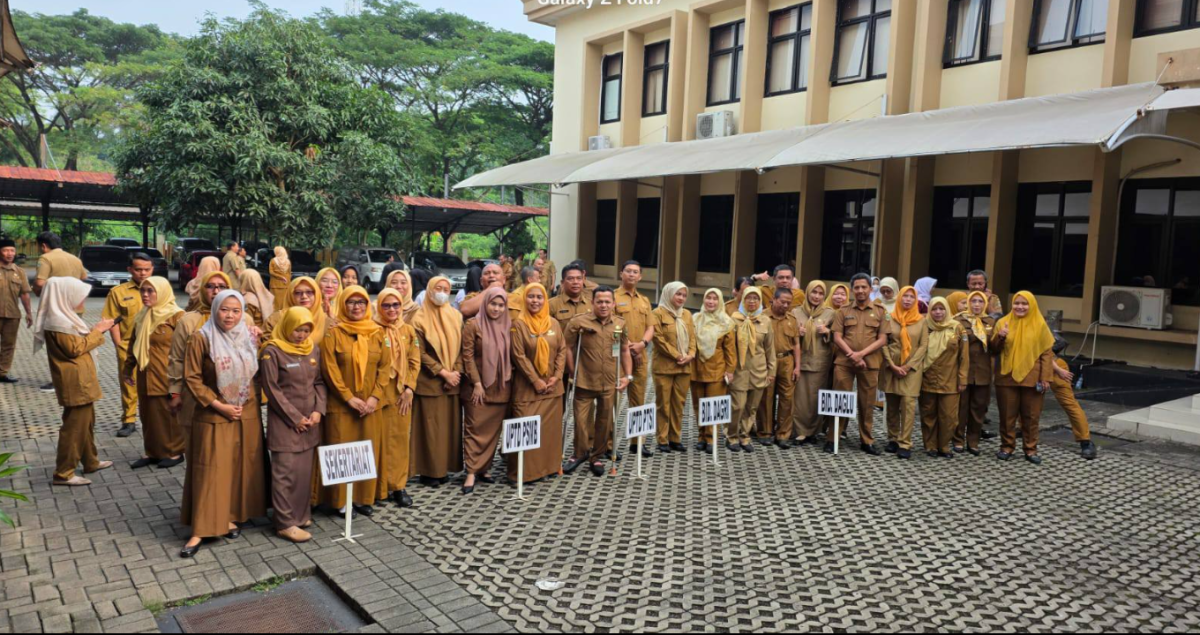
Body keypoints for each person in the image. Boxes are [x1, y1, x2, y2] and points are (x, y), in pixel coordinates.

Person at [179, 290, 267, 558]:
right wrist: (219, 405)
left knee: (237, 466)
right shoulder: (202, 338)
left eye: (236, 310)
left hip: (245, 412)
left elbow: (258, 371)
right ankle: (201, 529)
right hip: (214, 412)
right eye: (224, 310)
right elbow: (192, 379)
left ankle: (229, 516)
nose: (230, 316)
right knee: (210, 468)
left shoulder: (248, 336)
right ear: (214, 309)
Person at [34, 277, 116, 486]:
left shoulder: (64, 317)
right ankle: (63, 473)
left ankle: (91, 461)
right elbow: (74, 349)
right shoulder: (58, 321)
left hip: (81, 379)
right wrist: (99, 330)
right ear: (64, 296)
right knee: (74, 427)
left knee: (86, 423)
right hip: (75, 382)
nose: (83, 300)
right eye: (78, 296)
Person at [319, 286, 389, 516]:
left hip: (369, 405)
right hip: (342, 405)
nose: (356, 306)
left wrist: (374, 397)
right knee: (342, 450)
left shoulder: (378, 332)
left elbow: (385, 368)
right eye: (351, 302)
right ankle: (341, 501)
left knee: (365, 450)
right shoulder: (333, 333)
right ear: (343, 304)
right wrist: (348, 397)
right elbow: (329, 369)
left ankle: (362, 498)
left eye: (361, 302)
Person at [259, 306, 326, 543]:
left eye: (306, 330)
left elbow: (318, 382)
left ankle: (300, 515)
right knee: (284, 473)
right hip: (287, 424)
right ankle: (285, 522)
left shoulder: (312, 349)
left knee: (302, 473)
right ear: (287, 326)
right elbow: (272, 389)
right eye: (298, 329)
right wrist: (295, 418)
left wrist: (319, 410)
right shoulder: (272, 351)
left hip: (310, 423)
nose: (301, 334)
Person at [564, 286, 632, 477]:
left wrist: (628, 376)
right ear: (592, 302)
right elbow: (568, 347)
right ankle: (579, 453)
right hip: (584, 380)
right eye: (599, 301)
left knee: (605, 421)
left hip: (610, 381)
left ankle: (597, 456)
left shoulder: (619, 324)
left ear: (613, 303)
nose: (603, 305)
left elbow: (625, 350)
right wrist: (572, 371)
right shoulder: (578, 322)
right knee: (580, 420)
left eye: (607, 302)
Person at [121, 277, 186, 470]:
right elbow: (133, 344)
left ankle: (174, 452)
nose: (145, 295)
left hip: (168, 376)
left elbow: (186, 349)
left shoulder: (177, 316)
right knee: (148, 415)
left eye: (151, 291)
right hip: (145, 374)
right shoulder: (142, 315)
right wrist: (127, 369)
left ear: (163, 291)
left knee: (169, 416)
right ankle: (152, 452)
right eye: (143, 290)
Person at [508, 282, 567, 483]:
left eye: (539, 297)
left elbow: (561, 350)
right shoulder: (518, 324)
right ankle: (524, 473)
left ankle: (548, 468)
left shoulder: (554, 323)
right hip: (527, 389)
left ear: (545, 299)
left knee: (549, 432)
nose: (535, 301)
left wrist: (557, 376)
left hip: (552, 388)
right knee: (525, 429)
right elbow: (518, 355)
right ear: (525, 299)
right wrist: (535, 381)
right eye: (531, 297)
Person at [410, 276, 465, 487]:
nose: (441, 292)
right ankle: (429, 472)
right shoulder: (418, 318)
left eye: (445, 289)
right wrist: (443, 373)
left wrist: (456, 372)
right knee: (430, 430)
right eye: (437, 288)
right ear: (429, 290)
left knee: (449, 429)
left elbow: (462, 348)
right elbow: (419, 353)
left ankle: (445, 469)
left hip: (452, 383)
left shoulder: (455, 316)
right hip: (431, 382)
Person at [991, 291, 1056, 465]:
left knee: (1031, 416)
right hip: (1006, 377)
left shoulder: (1040, 325)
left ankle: (1030, 448)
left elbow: (1046, 354)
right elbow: (993, 350)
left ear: (1032, 305)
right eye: (1016, 303)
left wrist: (1046, 378)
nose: (1020, 307)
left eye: (1024, 304)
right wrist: (1001, 337)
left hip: (1032, 378)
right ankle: (1006, 446)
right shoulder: (1002, 322)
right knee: (1007, 415)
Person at [830, 273, 889, 455]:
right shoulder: (843, 311)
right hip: (844, 363)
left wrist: (861, 354)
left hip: (870, 363)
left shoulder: (880, 311)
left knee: (867, 403)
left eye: (864, 287)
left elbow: (883, 339)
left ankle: (866, 440)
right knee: (840, 399)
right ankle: (833, 438)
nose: (861, 291)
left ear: (871, 289)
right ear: (852, 290)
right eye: (857, 287)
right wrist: (851, 354)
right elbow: (837, 336)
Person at [461, 287, 511, 493]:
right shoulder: (473, 325)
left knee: (492, 431)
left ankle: (484, 468)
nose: (496, 309)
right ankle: (471, 472)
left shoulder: (509, 325)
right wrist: (477, 383)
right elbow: (467, 356)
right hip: (477, 388)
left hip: (501, 387)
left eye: (501, 305)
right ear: (485, 303)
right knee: (474, 429)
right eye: (493, 304)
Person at [374, 289, 420, 507]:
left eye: (395, 305)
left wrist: (410, 388)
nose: (391, 310)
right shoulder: (371, 328)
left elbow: (414, 361)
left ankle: (398, 486)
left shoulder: (408, 330)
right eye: (386, 305)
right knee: (378, 441)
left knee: (400, 441)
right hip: (378, 394)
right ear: (379, 306)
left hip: (401, 394)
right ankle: (378, 488)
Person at [104, 252, 154, 438]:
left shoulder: (160, 289)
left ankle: (154, 418)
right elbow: (111, 320)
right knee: (128, 384)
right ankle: (129, 420)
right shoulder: (118, 292)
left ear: (152, 269)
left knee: (155, 384)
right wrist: (119, 345)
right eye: (138, 269)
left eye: (146, 269)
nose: (143, 273)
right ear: (130, 270)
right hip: (128, 346)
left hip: (154, 346)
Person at [880, 286, 927, 460]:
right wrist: (892, 365)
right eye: (904, 296)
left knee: (908, 405)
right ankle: (892, 438)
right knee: (891, 404)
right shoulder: (889, 318)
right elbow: (883, 342)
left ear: (916, 300)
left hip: (912, 370)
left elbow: (923, 346)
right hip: (891, 367)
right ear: (899, 298)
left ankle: (905, 443)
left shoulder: (921, 321)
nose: (907, 300)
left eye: (911, 297)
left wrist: (908, 367)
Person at [919, 297, 969, 458]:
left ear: (947, 310)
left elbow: (964, 357)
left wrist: (962, 379)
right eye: (934, 309)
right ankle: (930, 446)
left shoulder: (957, 328)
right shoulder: (924, 326)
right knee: (928, 415)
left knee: (949, 417)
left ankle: (944, 446)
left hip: (950, 381)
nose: (938, 312)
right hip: (927, 377)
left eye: (941, 309)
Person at [727, 287, 775, 452]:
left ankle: (744, 436)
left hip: (759, 371)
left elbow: (770, 349)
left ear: (760, 301)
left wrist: (771, 371)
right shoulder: (734, 319)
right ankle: (731, 436)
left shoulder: (765, 321)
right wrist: (728, 370)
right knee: (737, 406)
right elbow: (729, 348)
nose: (752, 301)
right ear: (743, 300)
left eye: (756, 298)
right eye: (749, 298)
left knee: (751, 408)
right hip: (739, 371)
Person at [651, 281, 696, 453]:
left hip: (684, 367)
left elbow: (693, 337)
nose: (681, 298)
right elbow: (659, 340)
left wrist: (690, 354)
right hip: (664, 367)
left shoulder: (687, 314)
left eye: (684, 295)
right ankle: (662, 439)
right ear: (669, 294)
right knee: (663, 404)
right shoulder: (657, 313)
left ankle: (675, 438)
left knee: (679, 404)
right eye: (678, 294)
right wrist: (678, 355)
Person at [690, 288, 736, 452]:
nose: (711, 302)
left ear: (720, 301)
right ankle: (701, 436)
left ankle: (712, 438)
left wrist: (730, 370)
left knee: (713, 406)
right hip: (696, 369)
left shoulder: (726, 323)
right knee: (698, 405)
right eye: (708, 298)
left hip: (717, 369)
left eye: (715, 299)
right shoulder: (695, 319)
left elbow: (730, 350)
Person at [791, 281, 836, 446]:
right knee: (800, 399)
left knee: (816, 397)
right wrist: (797, 333)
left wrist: (827, 332)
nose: (816, 296)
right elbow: (787, 335)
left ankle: (814, 431)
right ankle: (800, 431)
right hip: (800, 361)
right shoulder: (796, 312)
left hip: (820, 362)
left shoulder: (830, 314)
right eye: (813, 292)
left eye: (820, 293)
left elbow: (837, 336)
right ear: (807, 293)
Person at [756, 289, 800, 448]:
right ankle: (765, 432)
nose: (786, 305)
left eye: (789, 302)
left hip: (787, 360)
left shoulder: (792, 319)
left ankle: (783, 434)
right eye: (782, 301)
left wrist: (797, 367)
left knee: (787, 399)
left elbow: (796, 344)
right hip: (768, 361)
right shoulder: (762, 317)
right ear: (773, 300)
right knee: (766, 397)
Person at [614, 262, 654, 439]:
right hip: (619, 356)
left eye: (635, 272)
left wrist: (642, 345)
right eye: (628, 271)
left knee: (639, 399)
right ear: (621, 273)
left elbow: (651, 326)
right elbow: (612, 325)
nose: (631, 274)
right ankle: (608, 444)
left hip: (641, 354)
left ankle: (639, 442)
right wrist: (629, 347)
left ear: (640, 277)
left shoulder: (644, 300)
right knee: (613, 400)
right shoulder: (612, 297)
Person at [953, 290, 996, 455]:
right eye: (973, 301)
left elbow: (995, 349)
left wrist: (1000, 337)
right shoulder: (958, 320)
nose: (976, 304)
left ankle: (973, 441)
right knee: (961, 408)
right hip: (963, 371)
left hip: (983, 372)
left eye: (980, 301)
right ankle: (958, 440)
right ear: (968, 303)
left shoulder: (990, 321)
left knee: (978, 409)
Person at [1047, 337, 1099, 460]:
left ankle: (1085, 442)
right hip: (1036, 366)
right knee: (1026, 400)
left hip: (1053, 365)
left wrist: (1058, 369)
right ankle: (1022, 429)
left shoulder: (1034, 323)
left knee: (1070, 405)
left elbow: (1043, 352)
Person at [264, 277, 332, 347]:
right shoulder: (277, 318)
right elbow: (266, 346)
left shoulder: (327, 321)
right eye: (298, 293)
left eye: (309, 292)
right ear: (290, 295)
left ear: (316, 294)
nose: (304, 296)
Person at [0, 238, 32, 384]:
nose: (9, 253)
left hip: (12, 315)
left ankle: (2, 373)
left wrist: (29, 313)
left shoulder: (19, 272)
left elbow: (25, 294)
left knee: (8, 345)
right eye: (6, 250)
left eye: (12, 250)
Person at [33, 231, 88, 298]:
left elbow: (40, 283)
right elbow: (84, 278)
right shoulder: (76, 259)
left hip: (55, 302)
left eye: (38, 246)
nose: (38, 249)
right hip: (74, 302)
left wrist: (35, 286)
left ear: (43, 246)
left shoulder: (45, 258)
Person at [548, 263, 591, 332]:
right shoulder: (551, 305)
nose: (575, 282)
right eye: (570, 279)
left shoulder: (591, 304)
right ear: (562, 282)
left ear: (583, 281)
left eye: (579, 278)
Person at [269, 247, 291, 313]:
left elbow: (271, 272)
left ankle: (275, 319)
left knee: (275, 304)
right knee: (284, 303)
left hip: (275, 285)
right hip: (285, 285)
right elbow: (289, 273)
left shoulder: (273, 260)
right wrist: (286, 280)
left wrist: (279, 277)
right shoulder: (288, 261)